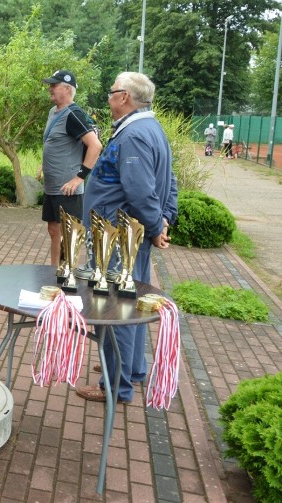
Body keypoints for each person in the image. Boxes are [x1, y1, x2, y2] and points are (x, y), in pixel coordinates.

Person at [76, 71, 178, 405]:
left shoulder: (133, 134)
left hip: (118, 236)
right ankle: (130, 369)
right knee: (130, 305)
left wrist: (154, 225)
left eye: (111, 92)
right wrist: (163, 222)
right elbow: (169, 182)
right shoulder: (151, 129)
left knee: (115, 308)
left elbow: (139, 190)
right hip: (131, 234)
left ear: (125, 97)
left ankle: (114, 385)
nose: (108, 97)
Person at [37, 70, 103, 268]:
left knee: (69, 233)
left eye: (54, 85)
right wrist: (44, 164)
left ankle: (67, 275)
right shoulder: (53, 112)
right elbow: (56, 142)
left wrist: (79, 178)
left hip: (68, 189)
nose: (50, 88)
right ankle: (55, 270)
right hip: (53, 186)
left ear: (67, 89)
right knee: (53, 229)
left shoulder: (74, 114)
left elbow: (95, 145)